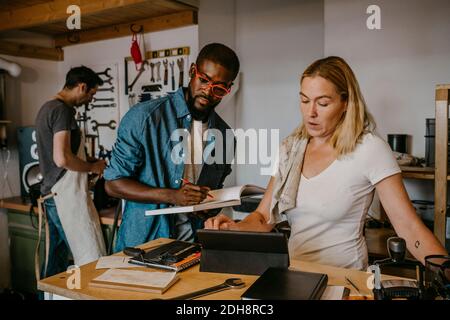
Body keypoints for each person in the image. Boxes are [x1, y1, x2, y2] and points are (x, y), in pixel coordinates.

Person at [205, 56, 448, 270]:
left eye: (322, 103)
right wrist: (233, 228)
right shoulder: (290, 149)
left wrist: (445, 275)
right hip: (294, 274)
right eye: (304, 100)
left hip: (345, 279)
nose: (310, 112)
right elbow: (263, 217)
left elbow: (409, 228)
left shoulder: (370, 148)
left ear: (345, 103)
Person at [104, 43, 240, 252]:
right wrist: (173, 195)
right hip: (143, 245)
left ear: (228, 89)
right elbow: (112, 184)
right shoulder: (144, 117)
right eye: (204, 80)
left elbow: (215, 193)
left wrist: (208, 206)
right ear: (193, 71)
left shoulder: (226, 136)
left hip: (192, 246)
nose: (207, 91)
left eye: (219, 88)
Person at [35, 66, 107, 278]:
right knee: (90, 258)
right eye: (91, 94)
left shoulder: (47, 108)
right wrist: (93, 167)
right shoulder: (62, 110)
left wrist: (89, 160)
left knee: (55, 261)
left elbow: (58, 154)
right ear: (82, 87)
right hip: (64, 196)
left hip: (51, 195)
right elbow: (62, 158)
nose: (90, 100)